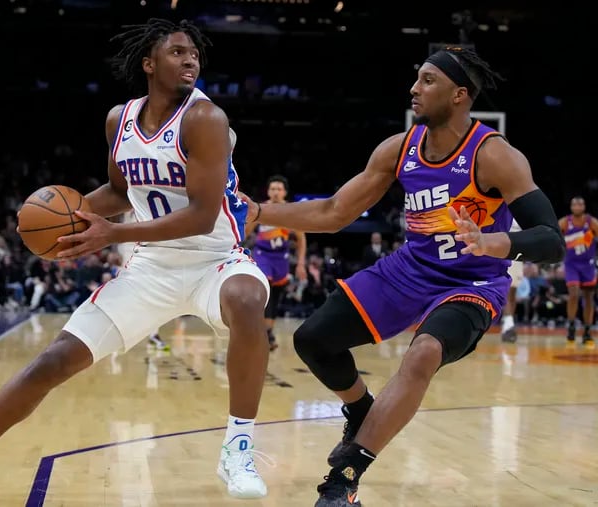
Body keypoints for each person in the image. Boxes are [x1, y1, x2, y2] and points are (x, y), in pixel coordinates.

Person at [0, 18, 271, 502]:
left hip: (214, 257)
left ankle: (238, 447)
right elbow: (117, 191)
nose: (190, 59)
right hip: (151, 268)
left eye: (194, 53)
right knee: (53, 361)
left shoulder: (206, 119)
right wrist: (72, 218)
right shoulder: (120, 120)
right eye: (177, 52)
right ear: (149, 64)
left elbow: (200, 215)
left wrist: (114, 232)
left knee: (247, 298)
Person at [240, 47, 565, 506]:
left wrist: (498, 243)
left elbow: (551, 239)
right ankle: (359, 409)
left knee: (422, 353)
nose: (414, 88)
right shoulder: (399, 149)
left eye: (428, 80)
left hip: (470, 284)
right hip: (410, 268)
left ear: (459, 95)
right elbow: (335, 212)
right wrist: (259, 211)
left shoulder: (494, 155)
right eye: (417, 78)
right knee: (312, 340)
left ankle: (344, 481)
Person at [245, 175, 307, 350]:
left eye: (279, 189)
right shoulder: (260, 209)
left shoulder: (292, 211)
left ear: (285, 192)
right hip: (262, 254)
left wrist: (301, 263)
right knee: (266, 289)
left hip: (282, 257)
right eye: (272, 189)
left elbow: (301, 239)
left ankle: (268, 332)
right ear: (268, 191)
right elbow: (246, 232)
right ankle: (262, 332)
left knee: (276, 295)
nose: (276, 192)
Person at [558, 196, 598, 345]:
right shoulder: (564, 222)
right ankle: (572, 325)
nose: (577, 206)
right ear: (571, 207)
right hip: (571, 264)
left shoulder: (591, 222)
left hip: (588, 264)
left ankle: (587, 330)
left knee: (589, 297)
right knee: (574, 293)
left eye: (580, 204)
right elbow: (555, 239)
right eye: (574, 204)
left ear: (584, 206)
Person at [501, 219, 523, 342]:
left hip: (518, 252)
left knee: (513, 292)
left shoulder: (523, 207)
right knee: (508, 292)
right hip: (504, 250)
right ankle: (508, 325)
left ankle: (508, 323)